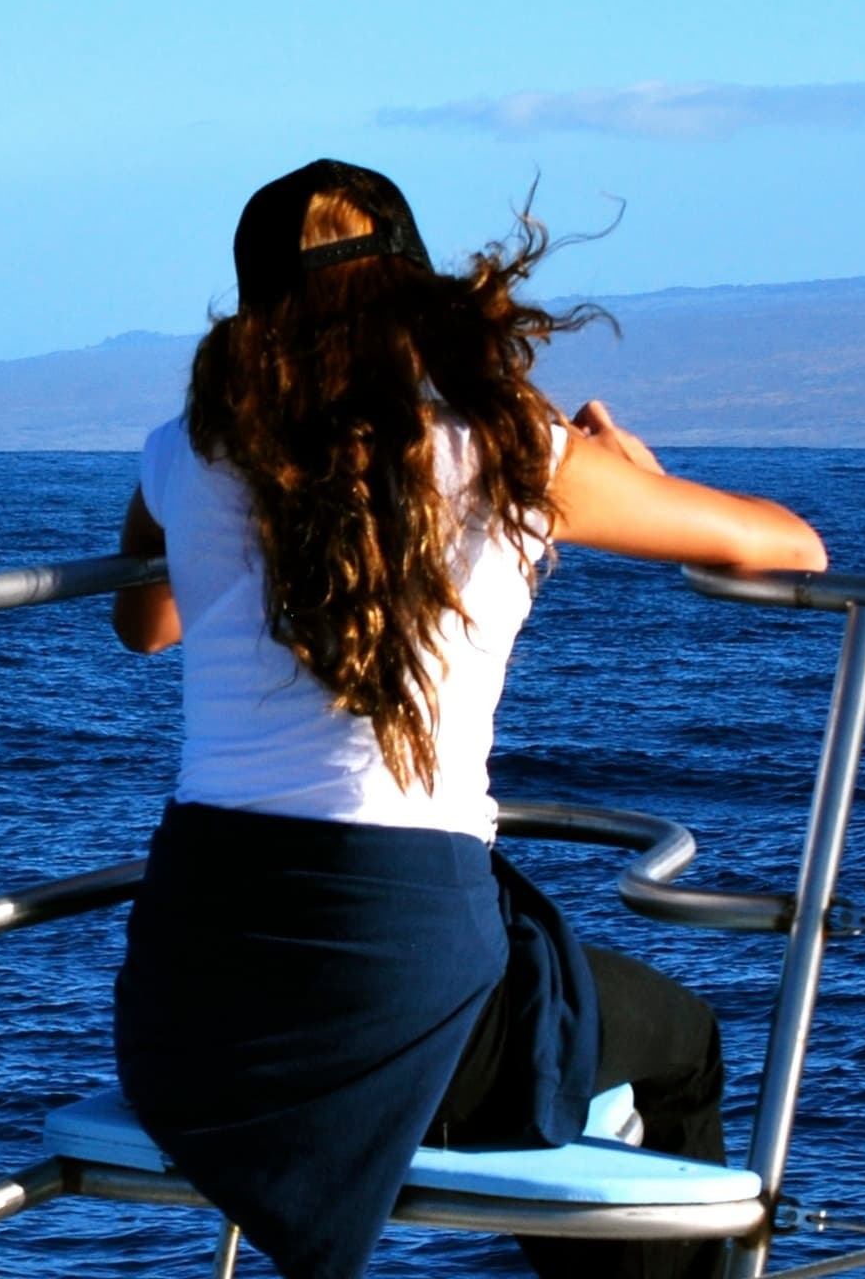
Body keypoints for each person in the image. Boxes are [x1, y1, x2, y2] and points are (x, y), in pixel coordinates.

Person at [109, 160, 827, 1279]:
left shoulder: (189, 451)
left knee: (533, 1023)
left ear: (253, 316)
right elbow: (788, 546)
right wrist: (629, 471)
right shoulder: (515, 453)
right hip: (395, 981)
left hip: (186, 1015)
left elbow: (143, 619)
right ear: (413, 291)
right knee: (674, 1049)